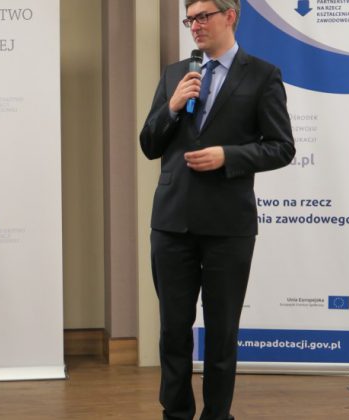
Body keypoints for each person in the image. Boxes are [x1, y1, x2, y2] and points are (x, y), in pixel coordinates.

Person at [139, 1, 295, 419]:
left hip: (228, 225)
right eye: (190, 19)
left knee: (222, 332)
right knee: (173, 330)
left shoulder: (262, 75)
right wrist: (172, 106)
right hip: (172, 222)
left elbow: (281, 147)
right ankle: (175, 413)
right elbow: (149, 144)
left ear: (230, 15)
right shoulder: (175, 74)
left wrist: (229, 156)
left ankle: (217, 415)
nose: (195, 26)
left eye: (203, 16)